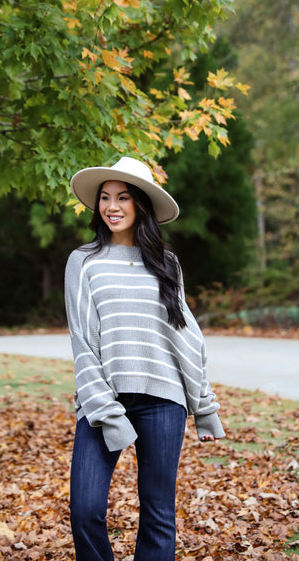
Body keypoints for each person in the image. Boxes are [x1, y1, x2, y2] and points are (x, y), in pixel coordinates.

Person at [64, 156, 225, 561]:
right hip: (104, 402)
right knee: (85, 510)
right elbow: (84, 344)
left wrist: (204, 406)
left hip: (163, 402)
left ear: (141, 205)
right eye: (104, 197)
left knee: (157, 514)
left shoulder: (166, 263)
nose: (111, 206)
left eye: (123, 197)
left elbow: (184, 336)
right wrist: (107, 411)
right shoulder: (83, 262)